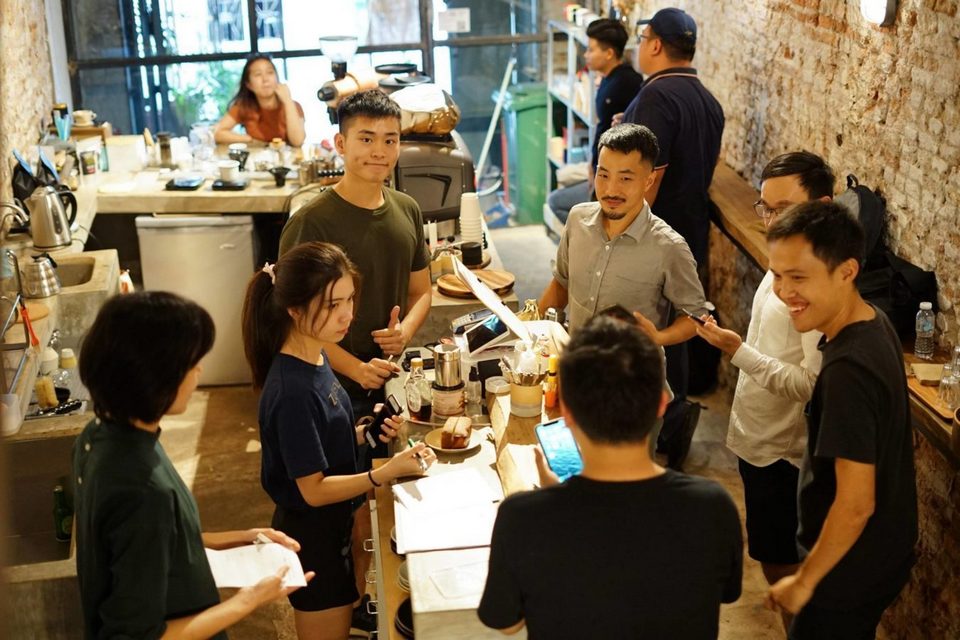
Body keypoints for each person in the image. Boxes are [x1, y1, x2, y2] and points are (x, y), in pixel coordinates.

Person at [478, 315, 742, 639]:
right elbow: (724, 593)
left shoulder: (523, 517)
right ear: (662, 403)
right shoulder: (713, 507)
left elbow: (507, 623)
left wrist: (553, 502)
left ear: (567, 411)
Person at [74, 291, 310, 639]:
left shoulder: (98, 434)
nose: (199, 370)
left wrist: (243, 539)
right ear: (156, 375)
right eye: (191, 363)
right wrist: (249, 600)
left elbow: (154, 543)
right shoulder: (144, 489)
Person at [242, 242, 436, 640]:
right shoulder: (292, 391)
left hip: (334, 530)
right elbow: (312, 489)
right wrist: (384, 472)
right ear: (294, 310)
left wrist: (365, 432)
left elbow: (319, 441)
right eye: (332, 305)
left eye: (349, 299)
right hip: (312, 541)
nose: (347, 314)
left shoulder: (315, 356)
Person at [763, 201, 918, 639]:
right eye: (777, 276)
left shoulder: (849, 369)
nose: (784, 292)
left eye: (798, 278)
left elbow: (855, 504)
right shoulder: (873, 320)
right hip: (876, 556)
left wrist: (805, 581)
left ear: (847, 271)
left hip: (847, 570)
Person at [694, 152, 833, 629]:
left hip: (781, 453)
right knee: (771, 560)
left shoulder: (815, 284)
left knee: (782, 568)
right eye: (766, 208)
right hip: (756, 440)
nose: (771, 221)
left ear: (823, 207)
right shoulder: (785, 261)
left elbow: (813, 384)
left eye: (784, 209)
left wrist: (737, 351)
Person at [538, 123, 707, 467]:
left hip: (634, 392)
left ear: (649, 180)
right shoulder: (577, 220)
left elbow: (696, 317)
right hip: (577, 374)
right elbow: (561, 284)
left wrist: (659, 336)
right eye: (603, 175)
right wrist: (529, 329)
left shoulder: (669, 247)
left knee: (627, 482)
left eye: (626, 178)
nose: (611, 189)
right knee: (571, 466)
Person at [621, 7, 724, 268]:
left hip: (656, 243)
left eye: (642, 39)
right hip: (691, 236)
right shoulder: (709, 101)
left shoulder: (655, 98)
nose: (640, 46)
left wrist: (620, 242)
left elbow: (649, 179)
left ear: (655, 46)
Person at [546, 18, 644, 224]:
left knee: (557, 202)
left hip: (613, 177)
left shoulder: (627, 82)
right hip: (600, 168)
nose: (586, 55)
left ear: (609, 53)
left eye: (591, 50)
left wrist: (600, 172)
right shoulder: (609, 78)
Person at [215, 54, 306, 146]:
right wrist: (249, 139)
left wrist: (288, 101)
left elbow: (297, 141)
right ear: (248, 84)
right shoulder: (245, 106)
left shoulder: (293, 106)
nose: (265, 79)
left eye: (270, 72)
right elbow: (218, 133)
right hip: (257, 155)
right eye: (258, 74)